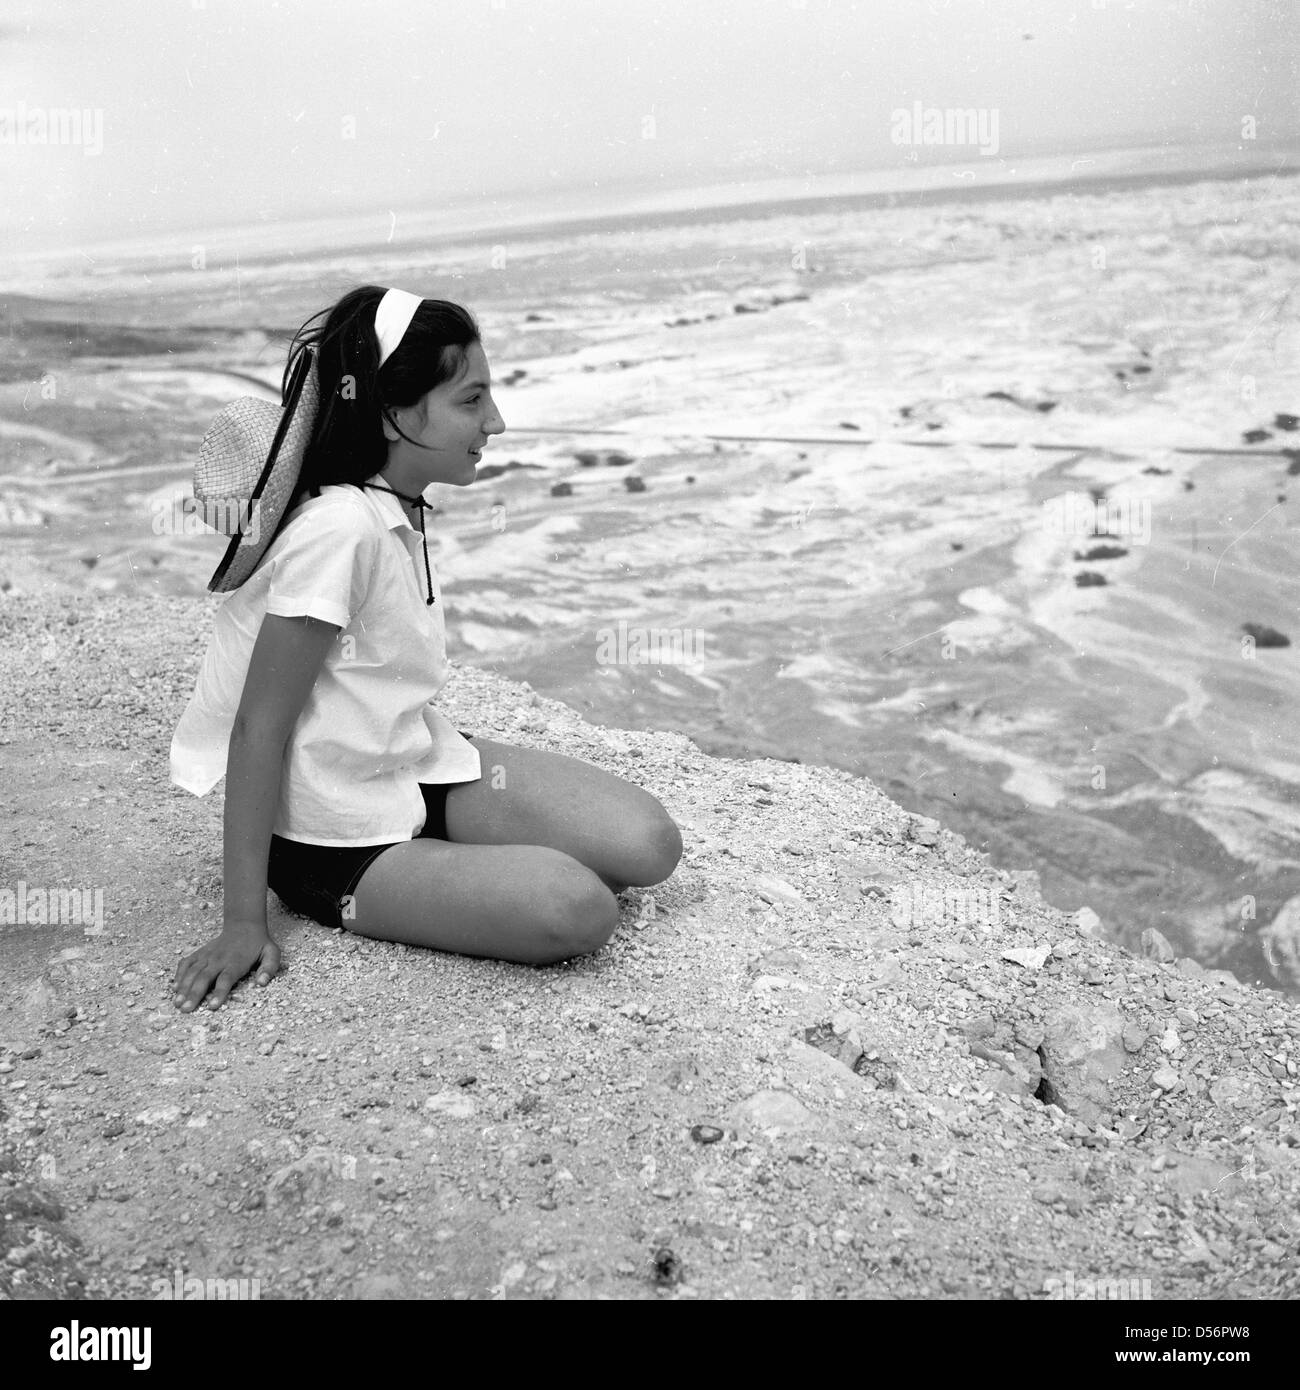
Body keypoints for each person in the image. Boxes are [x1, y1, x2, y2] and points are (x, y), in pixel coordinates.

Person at [170, 284, 682, 1013]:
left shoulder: (390, 506)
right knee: (580, 908)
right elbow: (259, 727)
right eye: (471, 401)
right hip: (335, 835)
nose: (495, 421)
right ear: (393, 410)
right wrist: (242, 922)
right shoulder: (338, 530)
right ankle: (384, 882)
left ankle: (450, 865)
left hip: (409, 767)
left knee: (649, 844)